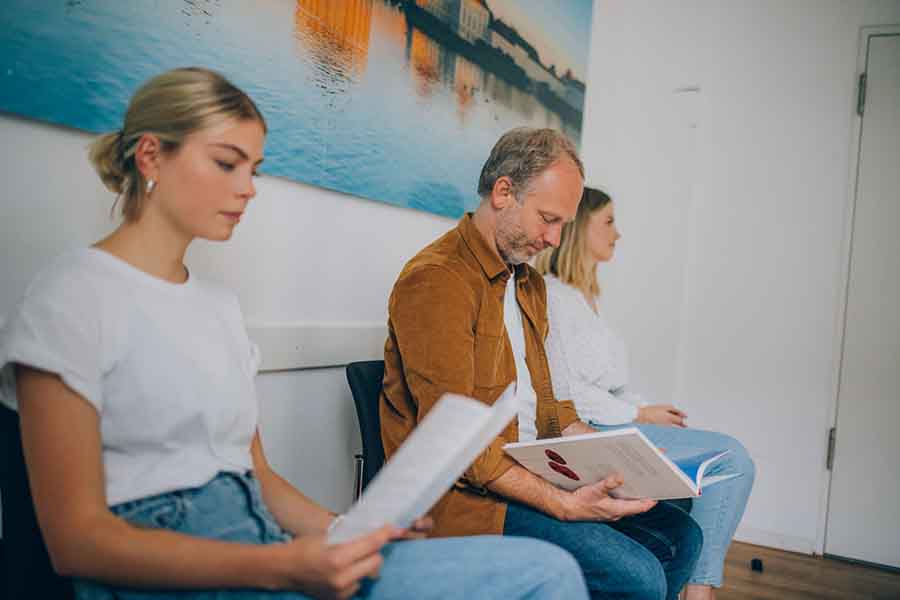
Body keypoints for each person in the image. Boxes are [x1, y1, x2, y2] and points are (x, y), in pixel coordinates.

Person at [0, 68, 591, 600]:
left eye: (254, 169)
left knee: (545, 570)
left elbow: (258, 477)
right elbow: (75, 542)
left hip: (262, 540)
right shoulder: (72, 296)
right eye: (227, 163)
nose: (249, 187)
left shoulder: (216, 307)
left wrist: (349, 533)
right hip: (184, 567)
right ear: (150, 157)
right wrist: (281, 567)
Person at [380, 127, 703, 600]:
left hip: (529, 472)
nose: (553, 239)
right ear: (503, 192)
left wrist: (628, 463)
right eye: (547, 219)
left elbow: (558, 414)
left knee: (681, 536)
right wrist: (564, 505)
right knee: (636, 575)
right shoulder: (438, 281)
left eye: (562, 225)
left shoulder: (529, 285)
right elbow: (459, 449)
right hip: (469, 498)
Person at [535, 186, 756, 600]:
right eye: (609, 222)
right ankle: (698, 593)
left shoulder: (587, 299)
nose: (617, 234)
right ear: (581, 227)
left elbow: (610, 383)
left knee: (723, 463)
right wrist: (638, 416)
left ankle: (693, 590)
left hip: (615, 417)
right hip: (593, 428)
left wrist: (643, 407)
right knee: (732, 462)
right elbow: (567, 394)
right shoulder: (551, 296)